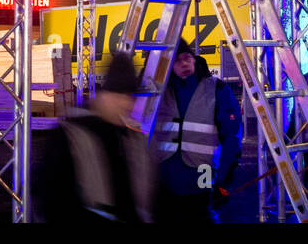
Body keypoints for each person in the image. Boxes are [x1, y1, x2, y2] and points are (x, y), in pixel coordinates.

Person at [40, 52, 155, 222]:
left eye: (129, 97)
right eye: (119, 96)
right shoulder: (70, 135)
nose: (126, 104)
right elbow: (53, 201)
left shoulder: (134, 137)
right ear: (103, 96)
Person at [150, 41, 242, 222]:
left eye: (187, 58)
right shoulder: (159, 91)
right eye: (177, 61)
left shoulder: (216, 89)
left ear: (194, 59)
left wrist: (223, 183)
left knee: (201, 216)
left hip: (203, 175)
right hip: (165, 179)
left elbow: (232, 138)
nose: (184, 63)